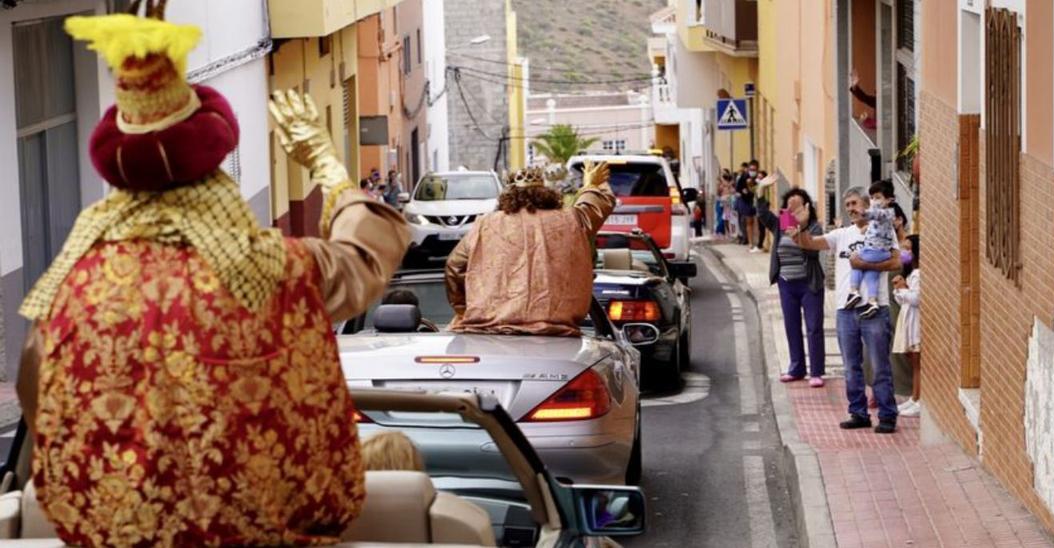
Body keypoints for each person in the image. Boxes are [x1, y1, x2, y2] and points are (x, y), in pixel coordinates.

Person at [15, 9, 410, 545]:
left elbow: (42, 416)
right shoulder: (277, 271)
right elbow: (367, 255)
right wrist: (324, 163)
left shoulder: (68, 295)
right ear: (216, 164)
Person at [445, 163, 615, 336]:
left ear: (506, 197)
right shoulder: (571, 220)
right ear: (546, 194)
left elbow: (454, 267)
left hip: (490, 331)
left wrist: (465, 311)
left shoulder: (485, 224)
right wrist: (591, 185)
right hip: (555, 334)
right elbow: (595, 207)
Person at [787, 188, 901, 433]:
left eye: (854, 203)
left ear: (867, 204)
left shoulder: (882, 228)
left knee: (879, 365)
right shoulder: (841, 234)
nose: (851, 208)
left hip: (874, 308)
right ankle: (858, 413)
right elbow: (810, 243)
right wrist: (802, 227)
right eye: (847, 204)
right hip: (845, 310)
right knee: (851, 366)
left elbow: (896, 261)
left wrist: (864, 263)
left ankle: (887, 415)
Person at [754, 178, 826, 387]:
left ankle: (816, 371)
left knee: (814, 327)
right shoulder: (781, 224)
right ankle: (796, 368)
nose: (792, 209)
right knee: (791, 326)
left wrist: (801, 227)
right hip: (787, 283)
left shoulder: (813, 227)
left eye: (797, 205)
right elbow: (762, 214)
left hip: (809, 283)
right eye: (789, 205)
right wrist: (760, 189)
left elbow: (812, 251)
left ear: (806, 207)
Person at [842, 181, 897, 316]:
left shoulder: (887, 213)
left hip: (877, 251)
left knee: (856, 260)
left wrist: (864, 212)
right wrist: (867, 227)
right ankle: (873, 302)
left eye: (877, 197)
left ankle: (854, 291)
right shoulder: (880, 219)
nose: (874, 201)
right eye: (872, 198)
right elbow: (876, 225)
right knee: (871, 275)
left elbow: (876, 215)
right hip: (879, 253)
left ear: (889, 200)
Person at [893, 235, 922, 417]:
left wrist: (903, 289)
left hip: (915, 321)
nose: (905, 253)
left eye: (909, 249)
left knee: (918, 363)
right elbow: (901, 298)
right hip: (907, 318)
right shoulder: (910, 273)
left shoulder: (919, 274)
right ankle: (914, 396)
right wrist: (900, 289)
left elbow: (916, 298)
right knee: (913, 362)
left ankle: (919, 399)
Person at [736, 161, 761, 251]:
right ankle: (751, 243)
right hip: (747, 202)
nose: (752, 171)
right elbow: (738, 188)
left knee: (758, 222)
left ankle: (758, 242)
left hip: (758, 202)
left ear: (757, 169)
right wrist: (743, 191)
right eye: (751, 169)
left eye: (754, 169)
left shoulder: (759, 177)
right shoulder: (744, 177)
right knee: (749, 221)